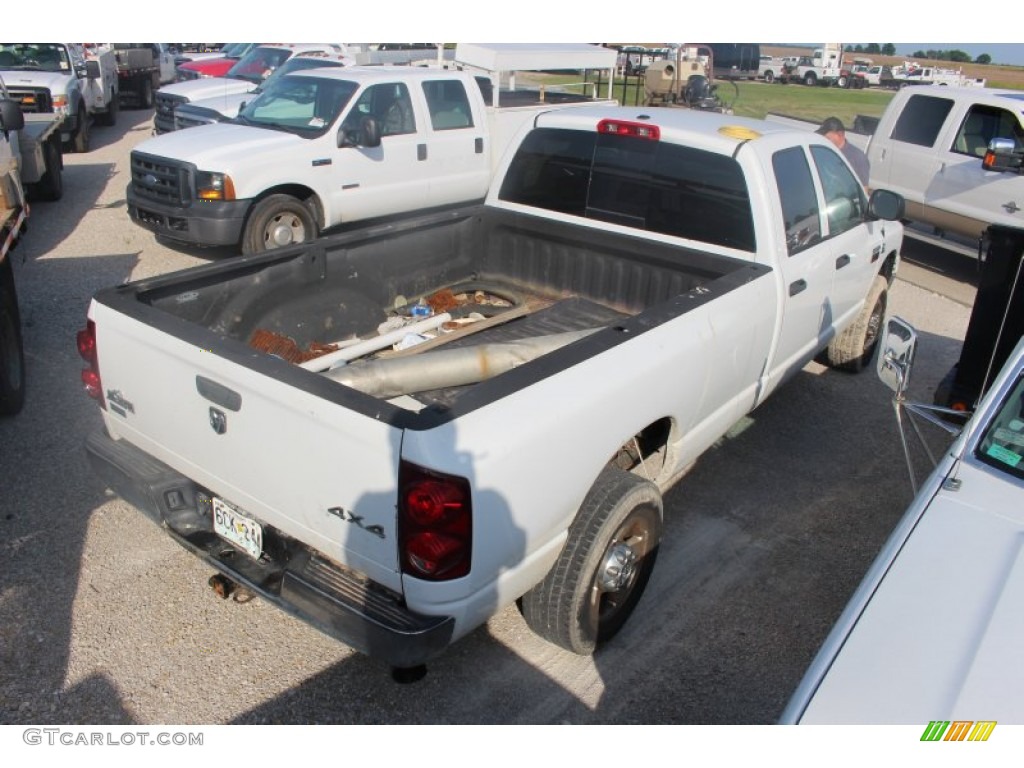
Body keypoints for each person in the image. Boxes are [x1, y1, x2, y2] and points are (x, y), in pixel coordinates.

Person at [817, 116, 870, 188]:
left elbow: (863, 189)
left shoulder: (858, 157)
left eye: (827, 138)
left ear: (840, 135)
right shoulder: (822, 152)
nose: (824, 140)